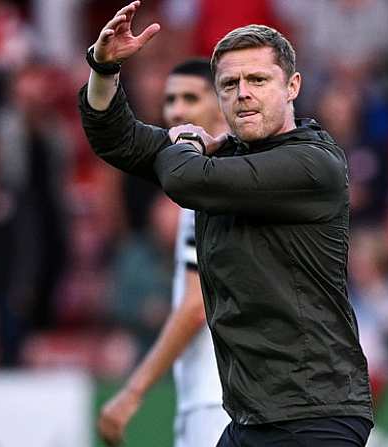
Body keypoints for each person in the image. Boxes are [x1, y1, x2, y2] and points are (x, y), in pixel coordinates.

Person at [79, 2, 374, 446]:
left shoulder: (313, 163)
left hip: (316, 415)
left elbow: (183, 178)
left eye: (258, 80)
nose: (243, 93)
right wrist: (104, 68)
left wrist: (190, 139)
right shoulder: (222, 158)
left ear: (292, 86)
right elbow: (117, 141)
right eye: (229, 84)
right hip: (250, 418)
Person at [97, 58, 231, 447]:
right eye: (170, 99)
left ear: (221, 102)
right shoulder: (234, 173)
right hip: (221, 394)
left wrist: (132, 391)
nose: (176, 110)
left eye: (191, 97)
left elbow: (194, 307)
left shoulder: (207, 181)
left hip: (214, 398)